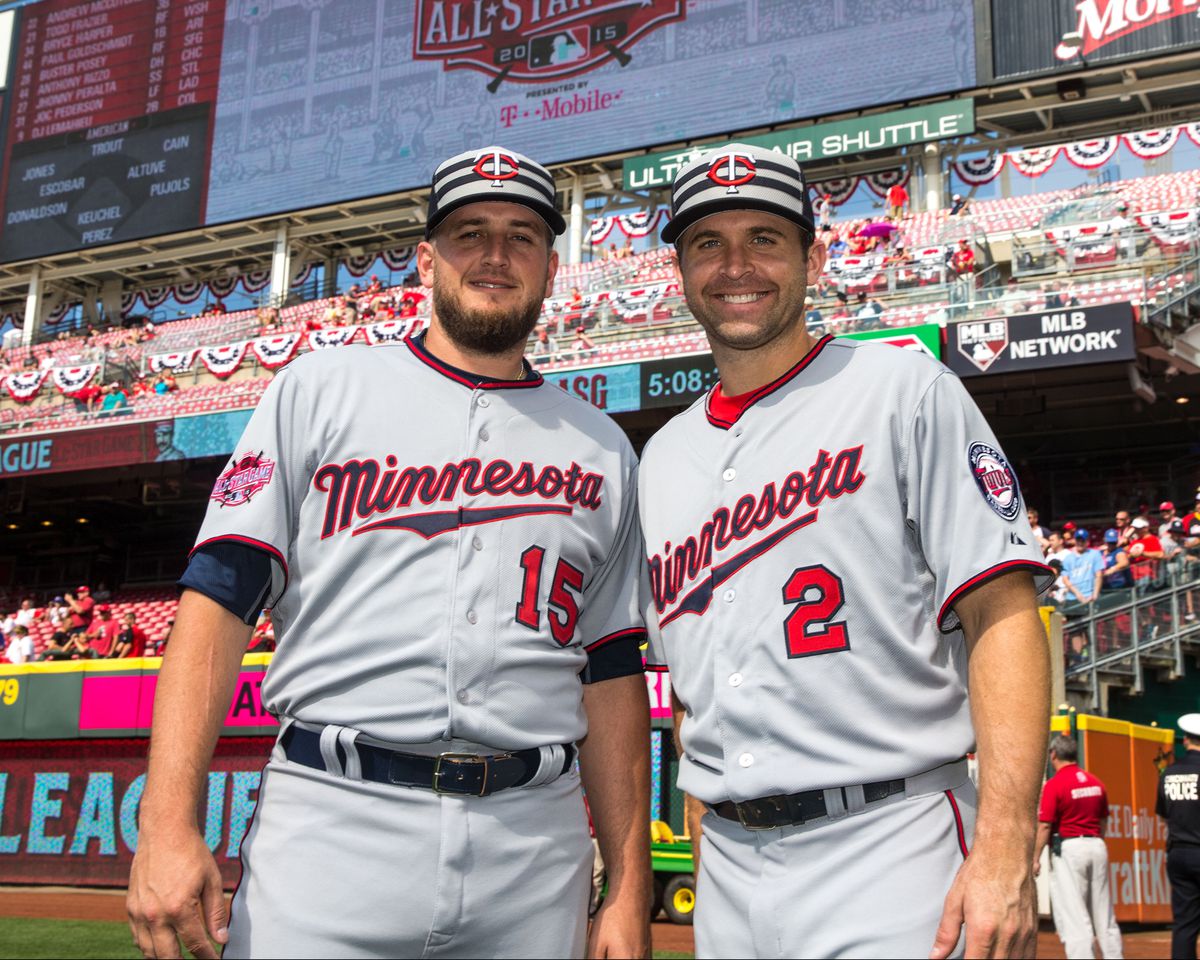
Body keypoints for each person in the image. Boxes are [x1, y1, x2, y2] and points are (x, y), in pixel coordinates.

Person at [127, 145, 651, 960]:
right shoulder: (322, 387)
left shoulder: (602, 448)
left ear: (553, 265)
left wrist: (627, 884)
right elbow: (218, 599)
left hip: (533, 844)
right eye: (469, 231)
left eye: (520, 236)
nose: (494, 254)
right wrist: (166, 823)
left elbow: (611, 670)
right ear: (426, 257)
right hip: (335, 824)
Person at [641, 142, 1053, 958]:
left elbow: (1002, 610)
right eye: (706, 244)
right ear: (680, 272)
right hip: (726, 864)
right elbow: (697, 663)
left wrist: (1007, 844)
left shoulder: (904, 390)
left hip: (890, 845)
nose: (735, 265)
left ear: (815, 257)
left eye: (764, 237)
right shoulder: (662, 459)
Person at [1034, 735, 1123, 959]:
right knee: (1104, 914)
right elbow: (1103, 821)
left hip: (1070, 848)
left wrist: (1035, 858)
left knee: (1075, 915)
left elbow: (1044, 826)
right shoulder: (1095, 782)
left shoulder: (1055, 785)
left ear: (1053, 754)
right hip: (1096, 844)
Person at [1158, 714, 1200, 959]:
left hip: (1178, 853)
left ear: (1185, 740)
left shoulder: (1169, 773)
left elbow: (1163, 815)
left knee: (1184, 923)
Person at [1060, 529, 1105, 606]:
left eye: (1082, 540)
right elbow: (1065, 579)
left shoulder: (1095, 554)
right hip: (1072, 597)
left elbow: (1099, 575)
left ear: (1087, 541)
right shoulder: (1068, 558)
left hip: (1090, 596)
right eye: (1078, 540)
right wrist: (1078, 595)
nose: (1080, 543)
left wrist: (1095, 594)